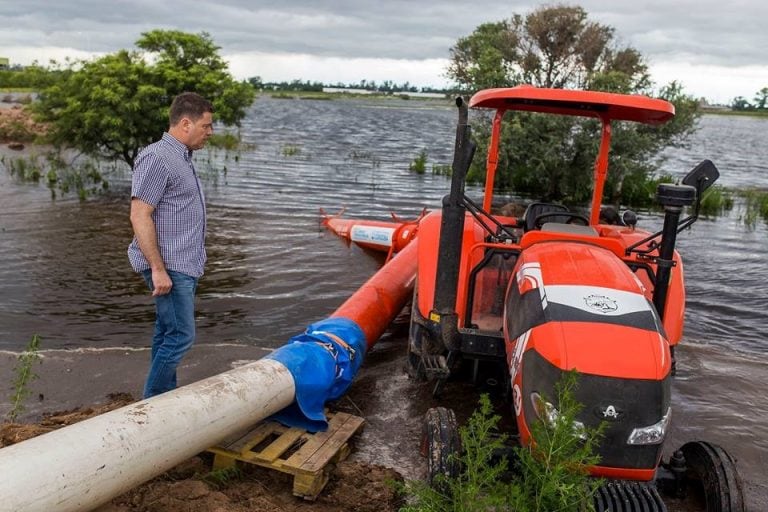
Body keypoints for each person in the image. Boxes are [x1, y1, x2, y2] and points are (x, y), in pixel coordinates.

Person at [127, 92, 214, 398]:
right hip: (169, 266)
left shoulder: (181, 157)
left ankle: (163, 396)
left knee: (167, 332)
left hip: (184, 265)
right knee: (181, 336)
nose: (210, 132)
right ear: (186, 123)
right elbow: (140, 214)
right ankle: (153, 404)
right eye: (206, 125)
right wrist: (158, 269)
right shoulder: (158, 157)